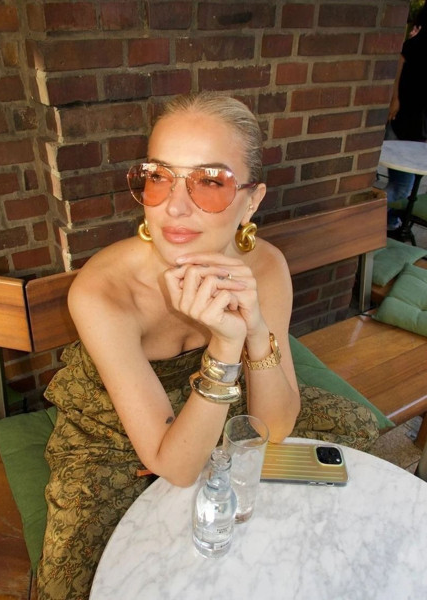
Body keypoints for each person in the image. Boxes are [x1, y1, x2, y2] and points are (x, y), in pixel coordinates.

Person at [36, 91, 379, 599]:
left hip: (227, 407)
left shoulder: (265, 267)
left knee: (349, 437)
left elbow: (276, 424)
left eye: (211, 181)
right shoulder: (102, 291)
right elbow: (176, 465)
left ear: (252, 201)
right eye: (159, 177)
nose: (174, 206)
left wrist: (254, 330)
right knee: (81, 580)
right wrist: (222, 346)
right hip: (115, 428)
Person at [385, 4, 427, 230]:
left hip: (417, 128)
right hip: (403, 121)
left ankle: (387, 218)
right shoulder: (416, 44)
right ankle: (365, 217)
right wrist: (395, 98)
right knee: (402, 187)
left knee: (404, 186)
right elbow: (397, 67)